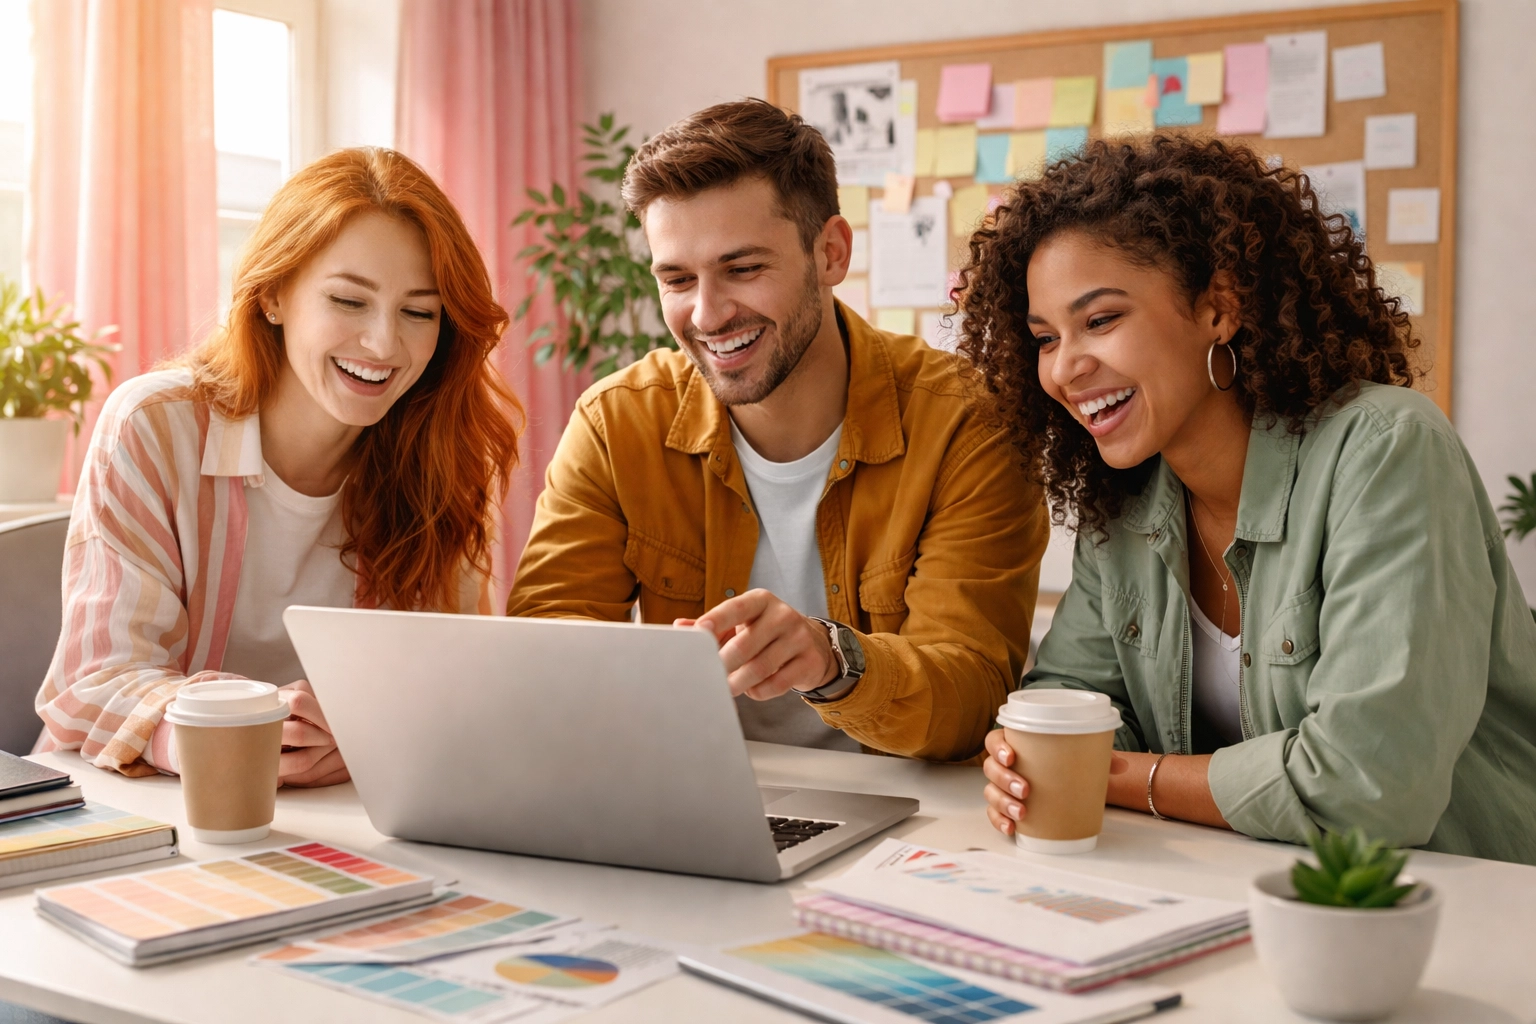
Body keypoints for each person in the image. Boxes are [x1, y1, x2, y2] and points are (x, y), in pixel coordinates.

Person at [965, 134, 1536, 864]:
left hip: (1461, 906)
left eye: (1101, 320)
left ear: (1220, 307)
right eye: (1045, 338)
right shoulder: (1127, 508)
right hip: (1249, 898)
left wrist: (1133, 779)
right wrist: (1019, 760)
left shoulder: (1386, 451)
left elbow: (1371, 789)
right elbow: (1068, 707)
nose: (1065, 368)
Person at [508, 99, 1048, 761]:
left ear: (831, 252)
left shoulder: (964, 421)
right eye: (677, 278)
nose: (707, 315)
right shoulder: (617, 421)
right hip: (691, 795)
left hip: (907, 815)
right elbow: (541, 660)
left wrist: (833, 661)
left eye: (743, 269)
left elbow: (970, 694)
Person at [36, 148, 522, 787]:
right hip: (130, 803)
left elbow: (454, 688)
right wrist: (245, 732)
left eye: (418, 312)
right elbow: (97, 679)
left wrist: (364, 738)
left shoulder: (445, 461)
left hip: (339, 815)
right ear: (272, 295)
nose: (383, 344)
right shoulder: (152, 426)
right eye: (350, 301)